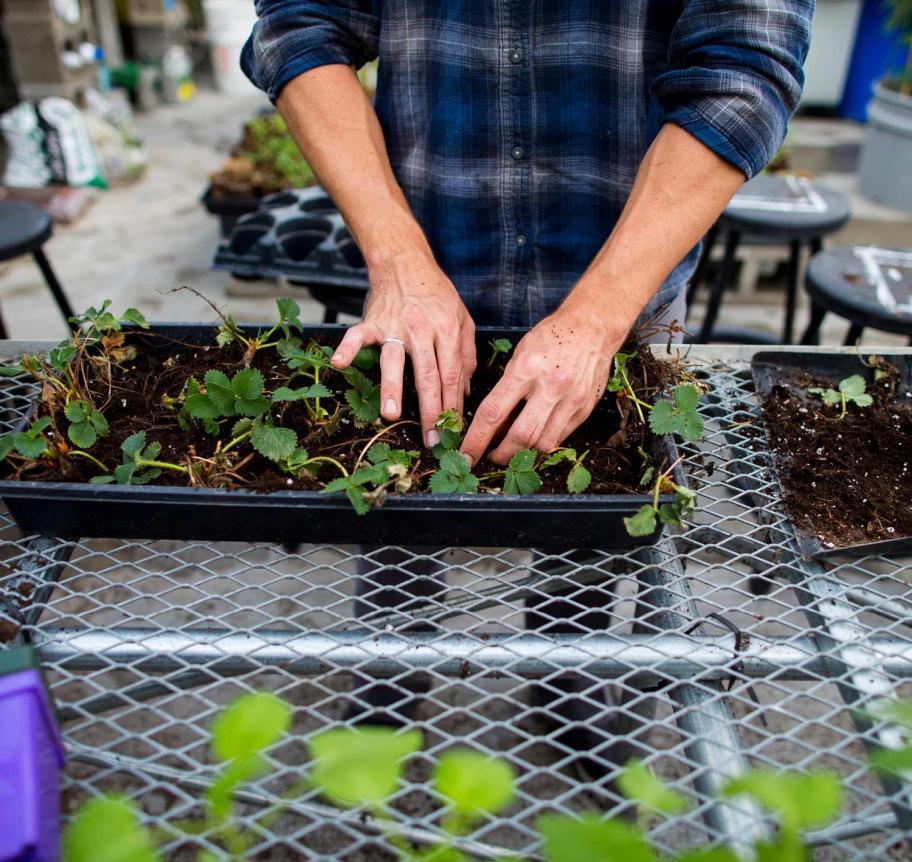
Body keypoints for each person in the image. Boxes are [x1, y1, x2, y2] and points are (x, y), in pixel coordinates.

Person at [242, 0, 813, 776]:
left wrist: (598, 317)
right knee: (395, 478)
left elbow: (744, 72)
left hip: (624, 272)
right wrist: (398, 259)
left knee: (591, 516)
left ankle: (564, 665)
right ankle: (390, 661)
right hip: (426, 253)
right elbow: (299, 22)